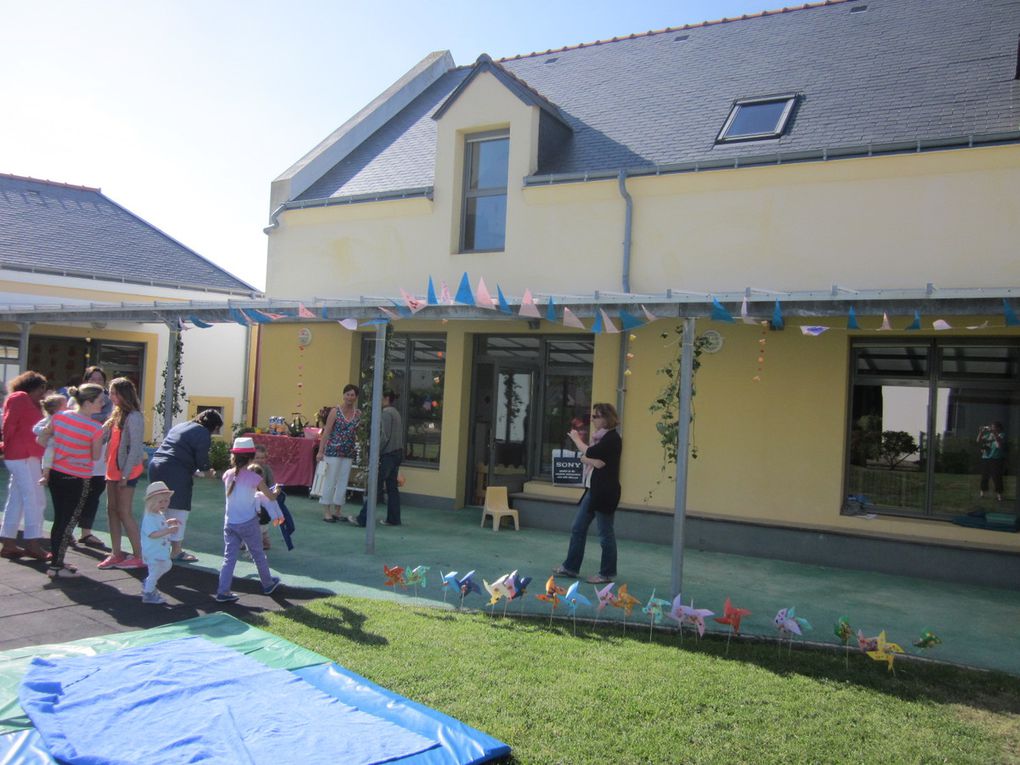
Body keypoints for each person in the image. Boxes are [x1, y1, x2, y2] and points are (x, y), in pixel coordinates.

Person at [552, 402, 623, 584]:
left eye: (596, 416)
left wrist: (576, 440)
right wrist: (589, 459)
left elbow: (591, 453)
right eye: (592, 416)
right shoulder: (599, 438)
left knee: (605, 533)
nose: (592, 419)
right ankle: (571, 567)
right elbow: (592, 458)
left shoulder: (612, 439)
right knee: (578, 527)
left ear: (607, 419)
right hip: (593, 491)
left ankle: (607, 573)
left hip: (605, 493)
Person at [41, 384, 107, 578]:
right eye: (100, 401)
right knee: (67, 522)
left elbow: (43, 438)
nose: (103, 404)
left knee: (60, 519)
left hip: (56, 475)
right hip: (77, 478)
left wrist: (62, 447)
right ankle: (56, 566)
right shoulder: (95, 428)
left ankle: (57, 561)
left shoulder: (60, 417)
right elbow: (95, 456)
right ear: (87, 402)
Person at [147, 409, 223, 562]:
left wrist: (194, 470)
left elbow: (177, 450)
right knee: (178, 509)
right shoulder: (203, 433)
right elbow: (202, 461)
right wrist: (211, 473)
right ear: (214, 427)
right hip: (175, 472)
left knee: (159, 509)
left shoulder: (180, 426)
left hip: (156, 466)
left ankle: (156, 548)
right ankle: (176, 550)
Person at [215, 437, 282, 603]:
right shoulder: (255, 478)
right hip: (248, 522)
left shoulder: (227, 475)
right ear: (251, 458)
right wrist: (278, 489)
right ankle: (267, 584)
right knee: (258, 554)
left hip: (230, 523)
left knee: (228, 558)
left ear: (233, 457)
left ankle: (223, 591)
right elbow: (271, 497)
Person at [97, 378, 146, 570]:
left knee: (124, 512)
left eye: (114, 393)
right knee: (112, 510)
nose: (111, 396)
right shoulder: (116, 415)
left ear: (123, 395)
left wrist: (125, 475)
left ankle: (138, 554)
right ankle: (116, 553)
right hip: (113, 469)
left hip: (126, 471)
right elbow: (104, 438)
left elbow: (135, 448)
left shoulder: (134, 417)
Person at [0, 371, 50, 561]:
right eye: (41, 389)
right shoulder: (20, 398)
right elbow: (8, 425)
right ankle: (32, 542)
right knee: (35, 498)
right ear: (30, 387)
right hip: (23, 455)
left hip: (23, 455)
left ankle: (9, 543)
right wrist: (7, 445)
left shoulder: (23, 400)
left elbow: (10, 425)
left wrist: (7, 446)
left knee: (17, 498)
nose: (43, 393)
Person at [346, 389, 403, 527]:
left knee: (376, 487)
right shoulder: (396, 413)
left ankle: (363, 518)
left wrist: (375, 451)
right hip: (397, 453)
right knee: (392, 487)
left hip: (388, 454)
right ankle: (394, 518)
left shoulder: (386, 414)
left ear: (386, 398)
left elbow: (384, 436)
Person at [75, 366, 113, 551]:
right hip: (80, 453)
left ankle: (86, 532)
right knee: (76, 494)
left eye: (100, 379)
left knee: (94, 492)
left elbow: (111, 423)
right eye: (93, 378)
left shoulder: (110, 400)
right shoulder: (77, 399)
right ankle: (68, 532)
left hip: (101, 453)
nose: (97, 382)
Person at [317, 384, 361, 522]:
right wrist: (320, 451)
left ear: (356, 397)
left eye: (352, 395)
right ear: (343, 395)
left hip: (348, 452)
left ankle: (338, 510)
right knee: (330, 480)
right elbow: (327, 431)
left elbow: (358, 432)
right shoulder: (335, 411)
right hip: (333, 451)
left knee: (343, 481)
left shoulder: (358, 414)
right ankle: (326, 510)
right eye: (347, 394)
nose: (349, 397)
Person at [140, 481, 179, 605]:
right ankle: (148, 593)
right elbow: (153, 534)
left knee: (167, 565)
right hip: (153, 552)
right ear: (151, 503)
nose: (164, 504)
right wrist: (169, 530)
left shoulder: (158, 514)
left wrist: (168, 522)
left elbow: (159, 526)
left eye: (166, 501)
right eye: (160, 501)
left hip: (159, 551)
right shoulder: (149, 518)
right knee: (155, 571)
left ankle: (149, 584)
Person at [34, 393, 67, 485]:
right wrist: (44, 430)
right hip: (52, 443)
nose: (68, 407)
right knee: (48, 455)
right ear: (55, 408)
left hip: (64, 444)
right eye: (65, 405)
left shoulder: (68, 417)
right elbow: (35, 429)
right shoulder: (49, 418)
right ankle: (45, 475)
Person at [978, 422, 1007, 502]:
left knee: (996, 477)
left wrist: (994, 433)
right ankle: (982, 493)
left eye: (993, 427)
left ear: (998, 428)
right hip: (986, 458)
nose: (991, 428)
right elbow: (978, 440)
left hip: (996, 458)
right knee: (984, 477)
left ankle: (999, 495)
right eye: (991, 427)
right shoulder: (988, 435)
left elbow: (1000, 445)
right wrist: (981, 432)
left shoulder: (1001, 434)